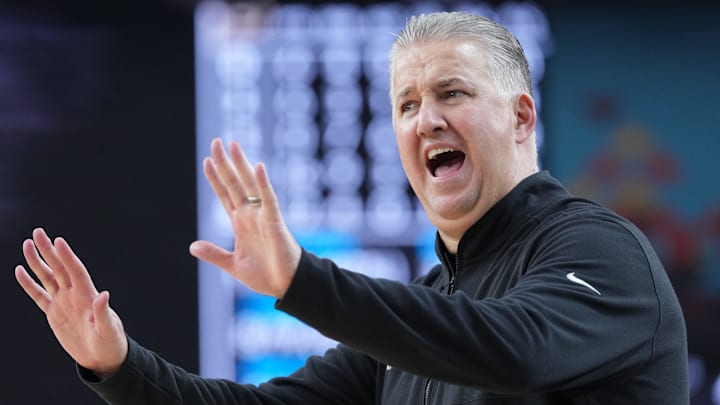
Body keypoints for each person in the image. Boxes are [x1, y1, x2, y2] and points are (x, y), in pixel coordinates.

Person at [15, 11, 689, 404]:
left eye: (451, 92)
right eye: (406, 104)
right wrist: (119, 362)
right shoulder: (413, 324)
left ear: (520, 116)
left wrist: (301, 280)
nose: (425, 119)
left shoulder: (599, 249)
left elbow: (516, 350)